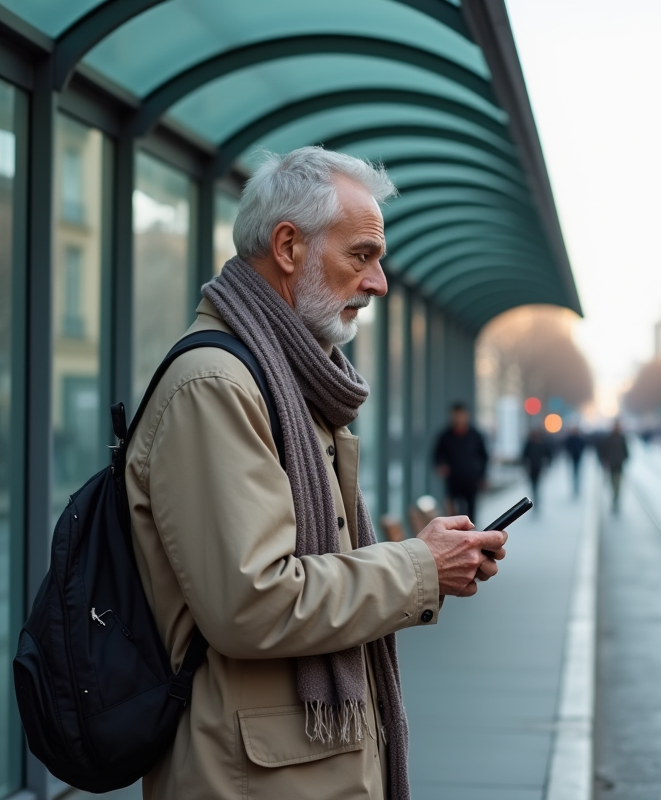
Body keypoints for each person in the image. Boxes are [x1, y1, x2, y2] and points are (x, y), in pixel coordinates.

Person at [126, 147, 508, 800]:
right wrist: (418, 566)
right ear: (288, 247)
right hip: (249, 779)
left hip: (293, 767)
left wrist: (432, 564)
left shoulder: (289, 385)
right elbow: (253, 602)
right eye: (362, 255)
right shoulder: (217, 387)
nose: (379, 282)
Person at [434, 402, 489, 518]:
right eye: (456, 415)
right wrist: (441, 465)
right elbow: (437, 455)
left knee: (471, 512)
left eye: (461, 415)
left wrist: (482, 476)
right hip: (453, 481)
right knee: (453, 512)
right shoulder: (446, 436)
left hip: (471, 480)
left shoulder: (475, 435)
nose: (459, 418)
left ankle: (470, 534)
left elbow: (484, 456)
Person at [598, 419, 629, 513]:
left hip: (619, 465)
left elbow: (626, 451)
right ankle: (614, 498)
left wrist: (624, 458)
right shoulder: (608, 439)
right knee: (612, 483)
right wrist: (604, 461)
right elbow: (602, 451)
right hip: (611, 465)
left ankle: (616, 499)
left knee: (618, 484)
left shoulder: (622, 438)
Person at [522, 428, 552, 505]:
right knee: (533, 484)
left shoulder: (541, 444)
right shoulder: (529, 444)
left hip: (539, 467)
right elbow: (524, 455)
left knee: (537, 484)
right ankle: (534, 498)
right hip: (531, 467)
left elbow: (547, 454)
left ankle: (536, 498)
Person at [563, 426, 588, 496]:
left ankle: (576, 487)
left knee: (576, 472)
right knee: (575, 472)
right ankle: (575, 487)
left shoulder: (577, 439)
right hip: (574, 457)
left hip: (577, 457)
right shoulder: (572, 439)